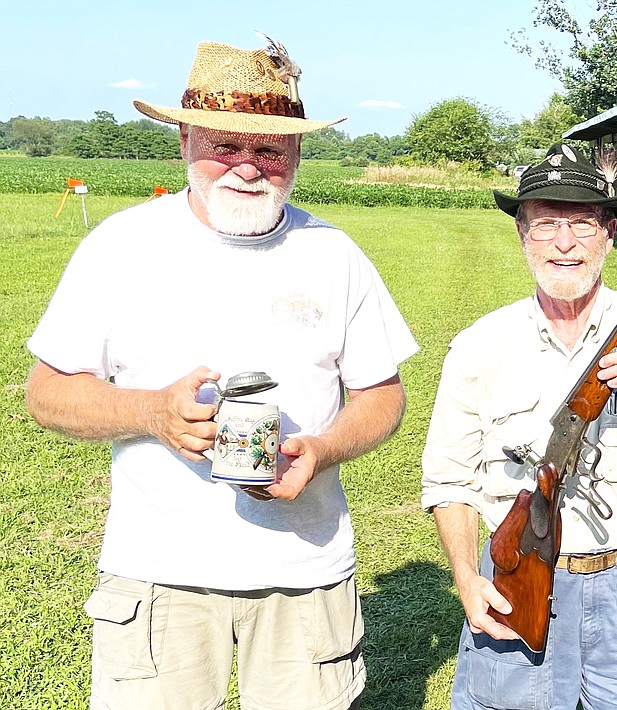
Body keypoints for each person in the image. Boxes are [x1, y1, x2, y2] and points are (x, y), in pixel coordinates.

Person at [25, 37, 418, 710]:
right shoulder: (120, 246)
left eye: (269, 149)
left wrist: (320, 452)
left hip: (304, 573)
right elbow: (46, 394)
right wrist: (150, 413)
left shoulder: (334, 253)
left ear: (296, 151)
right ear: (184, 141)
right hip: (157, 576)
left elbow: (382, 396)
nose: (246, 167)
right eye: (223, 146)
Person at [422, 144, 617, 709]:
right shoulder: (480, 345)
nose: (564, 243)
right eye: (546, 224)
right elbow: (449, 482)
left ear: (609, 232)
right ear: (521, 235)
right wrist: (466, 577)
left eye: (582, 223)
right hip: (512, 582)